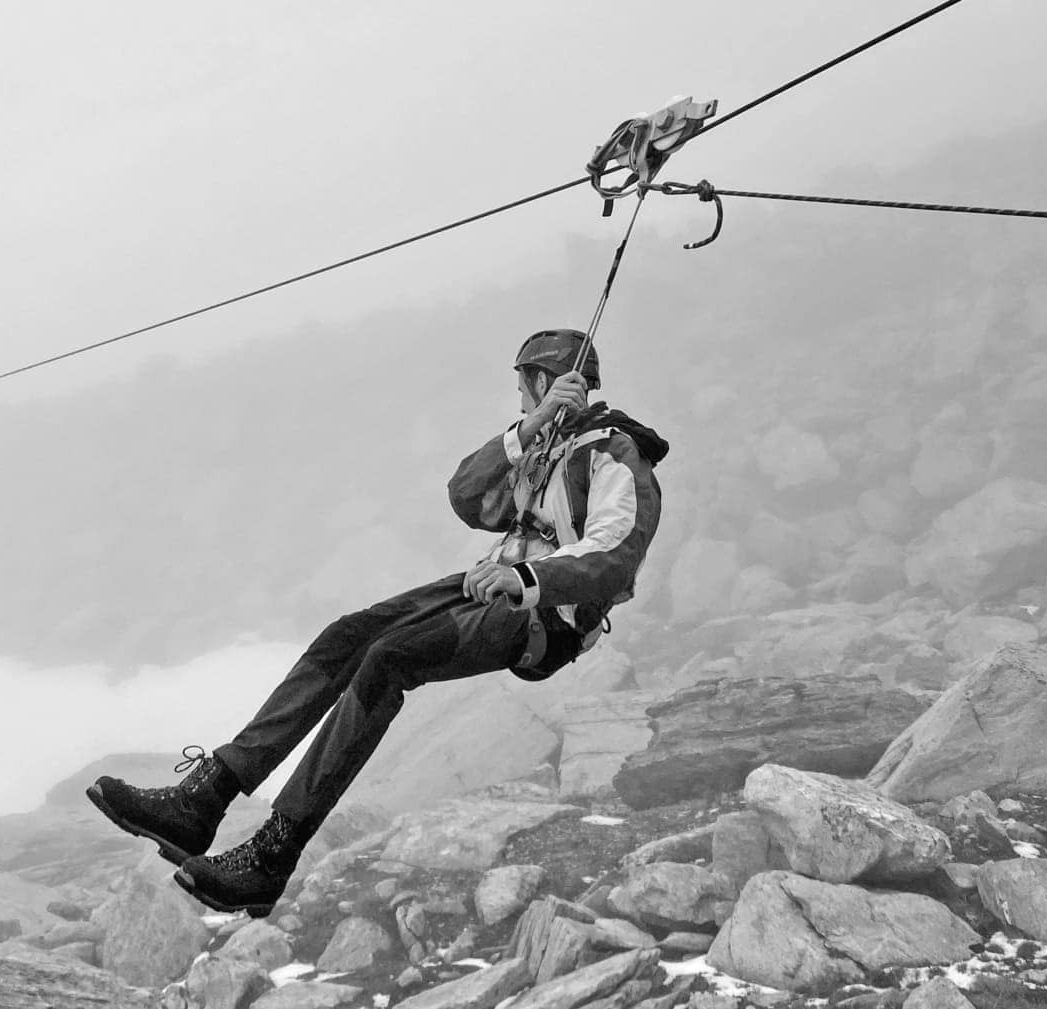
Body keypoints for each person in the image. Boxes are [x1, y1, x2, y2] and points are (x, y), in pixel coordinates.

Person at [86, 328, 667, 918]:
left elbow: (616, 552)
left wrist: (523, 579)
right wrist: (532, 425)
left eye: (524, 388)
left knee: (388, 659)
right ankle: (205, 799)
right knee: (349, 634)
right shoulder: (545, 443)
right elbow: (467, 495)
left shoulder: (613, 450)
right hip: (492, 586)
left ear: (541, 379)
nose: (519, 399)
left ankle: (271, 858)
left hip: (546, 617)